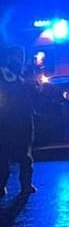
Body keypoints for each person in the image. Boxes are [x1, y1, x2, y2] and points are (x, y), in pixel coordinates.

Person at [0, 45, 35, 198]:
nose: (20, 60)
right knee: (7, 156)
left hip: (22, 119)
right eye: (17, 56)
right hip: (10, 120)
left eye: (22, 56)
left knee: (23, 156)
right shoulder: (6, 73)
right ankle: (4, 185)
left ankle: (25, 185)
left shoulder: (21, 75)